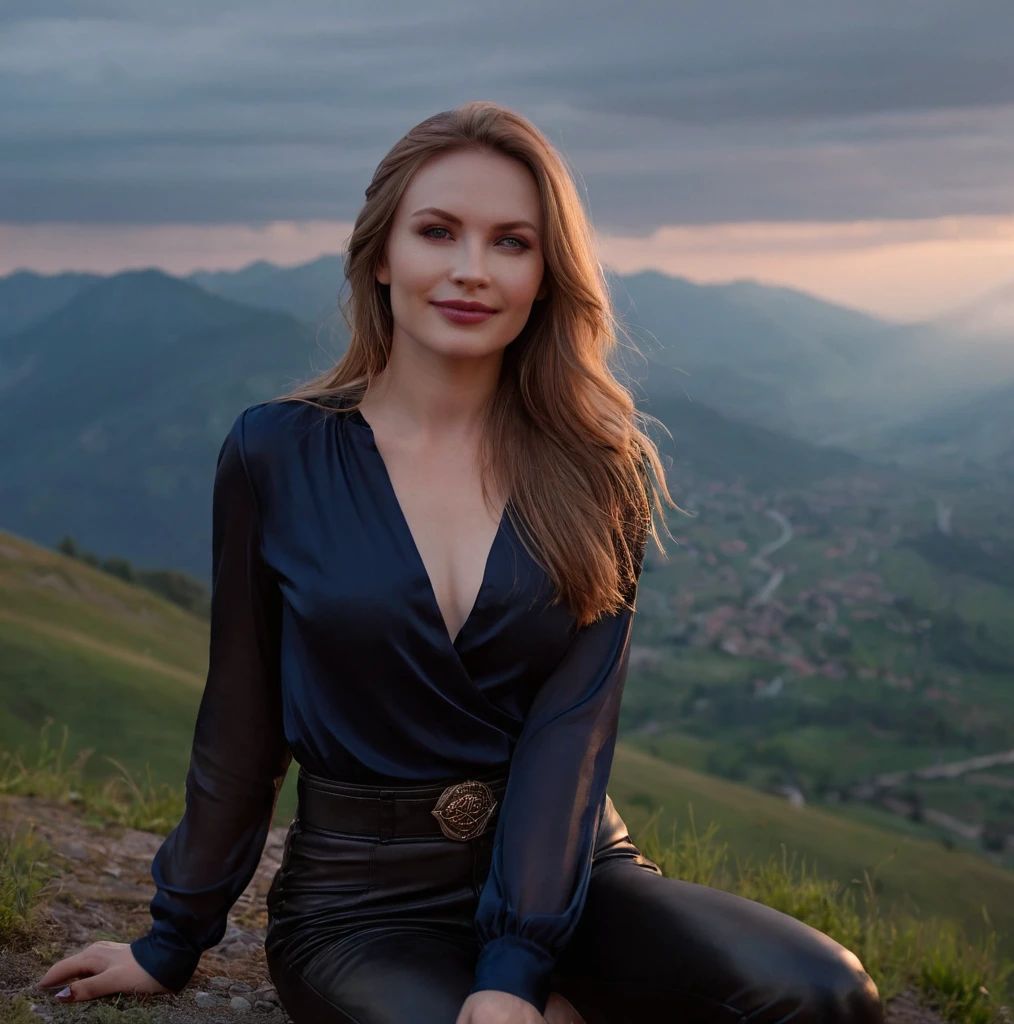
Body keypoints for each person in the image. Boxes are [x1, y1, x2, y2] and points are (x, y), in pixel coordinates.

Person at [36, 101, 884, 1024]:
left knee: (824, 996)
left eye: (512, 242)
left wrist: (517, 967)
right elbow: (241, 722)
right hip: (361, 905)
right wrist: (172, 938)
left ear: (545, 275)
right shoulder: (274, 454)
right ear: (382, 254)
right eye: (439, 231)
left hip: (571, 876)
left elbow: (573, 733)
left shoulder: (600, 471)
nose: (472, 270)